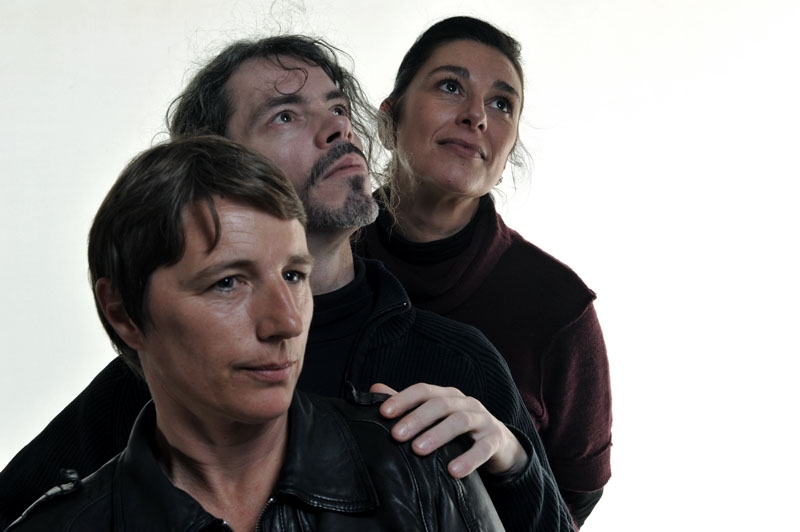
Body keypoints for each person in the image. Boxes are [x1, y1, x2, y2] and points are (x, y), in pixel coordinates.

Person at [0, 36, 575, 531]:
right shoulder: (153, 376)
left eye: (338, 107)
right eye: (285, 115)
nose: (339, 128)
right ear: (218, 161)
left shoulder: (461, 361)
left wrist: (514, 462)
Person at [5, 136, 506, 531]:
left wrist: (515, 462)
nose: (287, 322)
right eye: (228, 283)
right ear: (122, 312)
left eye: (294, 275)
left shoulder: (417, 470)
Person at [353, 16, 612, 528]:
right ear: (388, 120)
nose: (476, 116)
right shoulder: (308, 264)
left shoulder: (559, 307)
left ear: (508, 151)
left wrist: (512, 459)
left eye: (501, 104)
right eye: (451, 86)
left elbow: (573, 499)